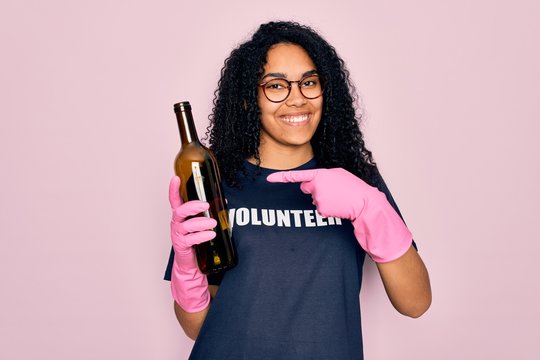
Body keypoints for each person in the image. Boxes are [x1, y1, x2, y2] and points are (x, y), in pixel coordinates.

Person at [164, 21, 431, 359]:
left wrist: (371, 208)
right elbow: (197, 328)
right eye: (276, 86)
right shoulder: (217, 181)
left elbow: (416, 303)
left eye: (309, 82)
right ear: (249, 99)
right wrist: (186, 269)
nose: (297, 99)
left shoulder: (358, 180)